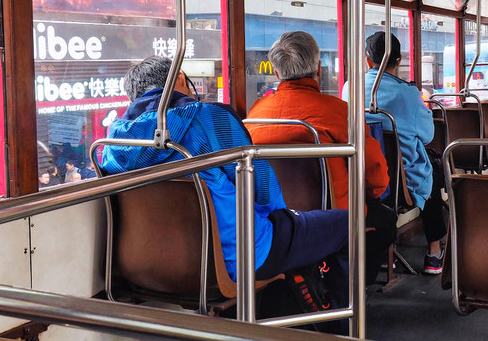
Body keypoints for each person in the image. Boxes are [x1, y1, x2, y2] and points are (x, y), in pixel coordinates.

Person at [99, 56, 357, 324]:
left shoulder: (112, 143)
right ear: (178, 80)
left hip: (143, 266)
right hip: (236, 255)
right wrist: (284, 216)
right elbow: (264, 189)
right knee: (345, 225)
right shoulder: (210, 119)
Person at [245, 32, 396, 279]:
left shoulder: (256, 113)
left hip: (274, 218)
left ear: (275, 73)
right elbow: (376, 176)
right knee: (386, 221)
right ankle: (356, 289)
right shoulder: (338, 111)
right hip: (333, 214)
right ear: (318, 68)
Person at [345, 32, 447, 275]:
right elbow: (428, 134)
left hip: (359, 173)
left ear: (368, 61)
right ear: (399, 59)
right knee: (430, 170)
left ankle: (383, 255)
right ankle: (434, 252)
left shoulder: (350, 88)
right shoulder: (408, 94)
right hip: (401, 183)